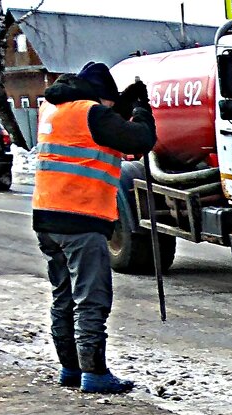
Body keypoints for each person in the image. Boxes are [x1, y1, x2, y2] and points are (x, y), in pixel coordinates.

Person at [33, 61, 156, 394]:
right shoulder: (92, 112)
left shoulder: (54, 107)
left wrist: (123, 105)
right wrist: (142, 110)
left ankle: (70, 368)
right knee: (91, 298)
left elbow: (99, 134)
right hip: (80, 219)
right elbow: (139, 140)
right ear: (102, 96)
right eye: (112, 102)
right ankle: (95, 372)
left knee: (63, 297)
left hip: (47, 216)